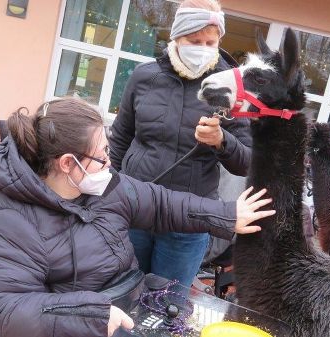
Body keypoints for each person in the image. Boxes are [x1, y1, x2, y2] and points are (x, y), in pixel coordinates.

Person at [0, 98, 274, 337]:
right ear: (67, 163)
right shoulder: (10, 220)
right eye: (101, 154)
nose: (109, 161)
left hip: (125, 309)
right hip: (81, 327)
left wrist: (227, 215)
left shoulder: (103, 186)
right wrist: (91, 315)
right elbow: (5, 309)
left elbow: (161, 203)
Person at [109, 0, 252, 291]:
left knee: (167, 304)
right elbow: (120, 139)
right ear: (177, 37)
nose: (202, 47)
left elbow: (247, 161)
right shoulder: (145, 77)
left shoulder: (229, 89)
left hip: (188, 224)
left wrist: (222, 141)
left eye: (210, 42)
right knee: (121, 294)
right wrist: (110, 194)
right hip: (136, 210)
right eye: (194, 40)